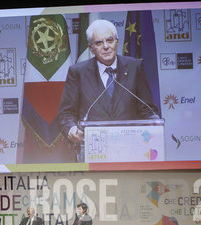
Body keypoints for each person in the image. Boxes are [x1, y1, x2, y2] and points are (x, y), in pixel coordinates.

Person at [57, 19, 159, 160]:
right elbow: (66, 114)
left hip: (130, 150)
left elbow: (148, 109)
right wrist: (71, 129)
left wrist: (154, 122)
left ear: (117, 41)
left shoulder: (135, 67)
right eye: (99, 43)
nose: (106, 46)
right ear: (91, 48)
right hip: (93, 151)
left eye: (110, 40)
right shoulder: (78, 72)